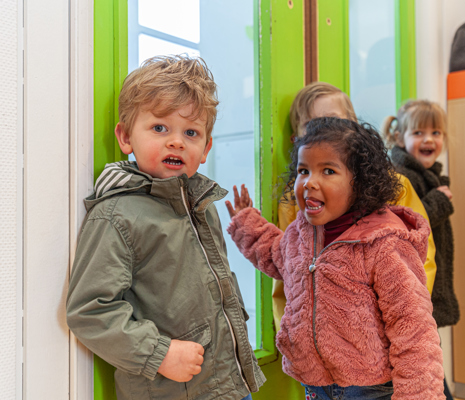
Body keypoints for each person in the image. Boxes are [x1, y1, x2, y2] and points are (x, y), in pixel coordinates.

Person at [66, 55, 264, 400]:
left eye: (191, 132)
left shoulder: (202, 205)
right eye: (160, 128)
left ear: (206, 148)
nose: (176, 142)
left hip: (228, 383)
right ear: (126, 137)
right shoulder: (116, 215)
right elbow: (90, 311)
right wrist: (159, 353)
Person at [227, 117, 445, 400]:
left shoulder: (384, 243)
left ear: (361, 182)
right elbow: (277, 256)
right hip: (315, 384)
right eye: (303, 171)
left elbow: (413, 329)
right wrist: (248, 225)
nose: (309, 183)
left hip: (370, 388)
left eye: (328, 171)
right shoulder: (300, 232)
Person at [272, 81, 438, 332]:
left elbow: (421, 258)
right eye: (313, 126)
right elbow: (287, 275)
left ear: (355, 131)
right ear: (297, 141)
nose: (323, 134)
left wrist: (406, 322)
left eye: (333, 122)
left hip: (383, 337)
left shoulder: (394, 188)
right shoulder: (293, 204)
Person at [382, 99, 460, 400]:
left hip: (425, 285)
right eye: (419, 133)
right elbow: (407, 226)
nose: (429, 139)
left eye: (436, 132)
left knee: (429, 367)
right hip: (414, 289)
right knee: (427, 369)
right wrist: (438, 202)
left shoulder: (428, 176)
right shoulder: (403, 177)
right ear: (400, 137)